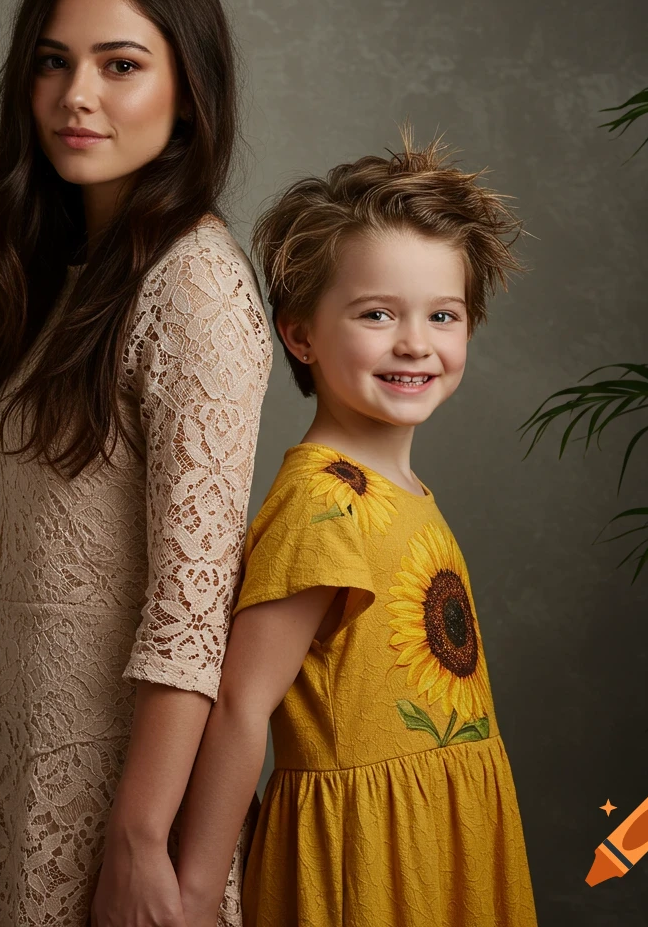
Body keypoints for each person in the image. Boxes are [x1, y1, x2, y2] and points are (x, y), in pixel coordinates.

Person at [0, 0, 271, 927]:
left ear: (189, 92)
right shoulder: (60, 279)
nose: (76, 96)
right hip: (15, 777)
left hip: (121, 797)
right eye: (53, 62)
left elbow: (191, 610)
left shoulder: (194, 287)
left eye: (120, 65)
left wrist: (140, 839)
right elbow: (33, 585)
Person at [174, 135, 539, 926]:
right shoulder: (323, 502)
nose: (415, 343)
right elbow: (240, 704)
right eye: (377, 314)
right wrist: (196, 892)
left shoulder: (403, 491)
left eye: (442, 315)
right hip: (366, 858)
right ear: (301, 334)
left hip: (445, 833)